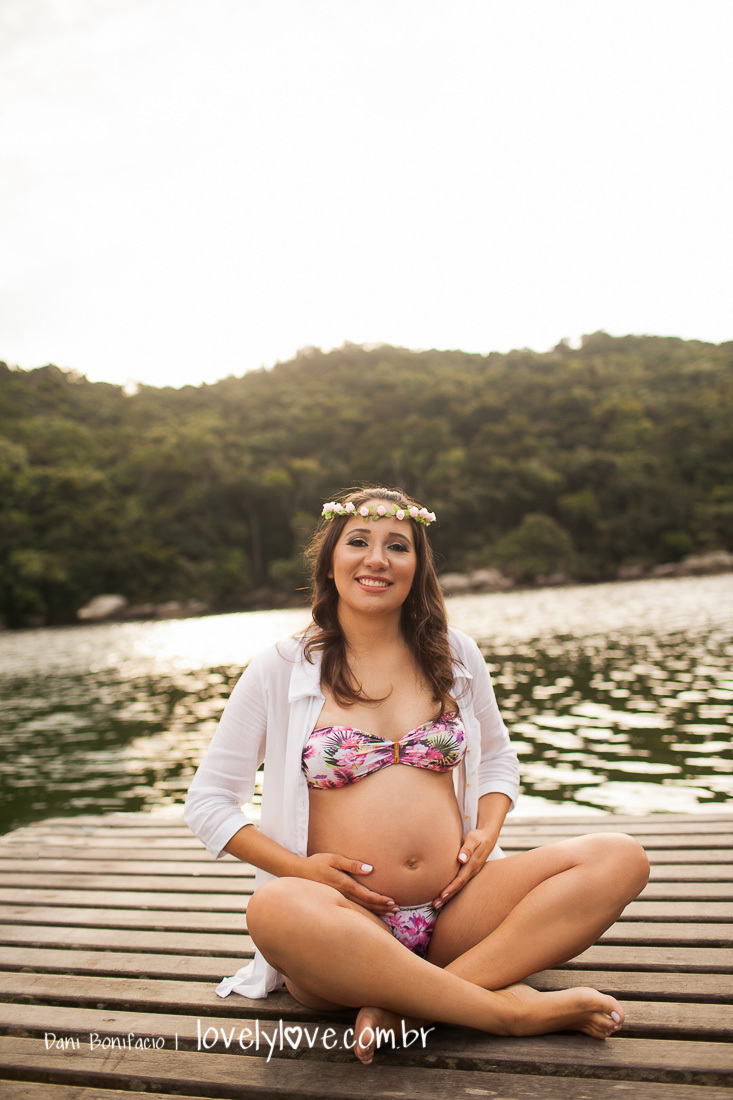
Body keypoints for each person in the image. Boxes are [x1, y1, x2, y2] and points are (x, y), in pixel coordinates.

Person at [185, 486, 650, 1065]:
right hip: (346, 928)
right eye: (359, 541)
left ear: (417, 565)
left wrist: (486, 832)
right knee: (272, 910)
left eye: (397, 546)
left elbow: (500, 762)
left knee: (620, 856)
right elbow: (208, 802)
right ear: (331, 562)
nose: (376, 558)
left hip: (457, 910)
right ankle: (507, 1011)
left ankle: (413, 1007)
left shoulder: (455, 655)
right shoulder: (282, 667)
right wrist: (299, 870)